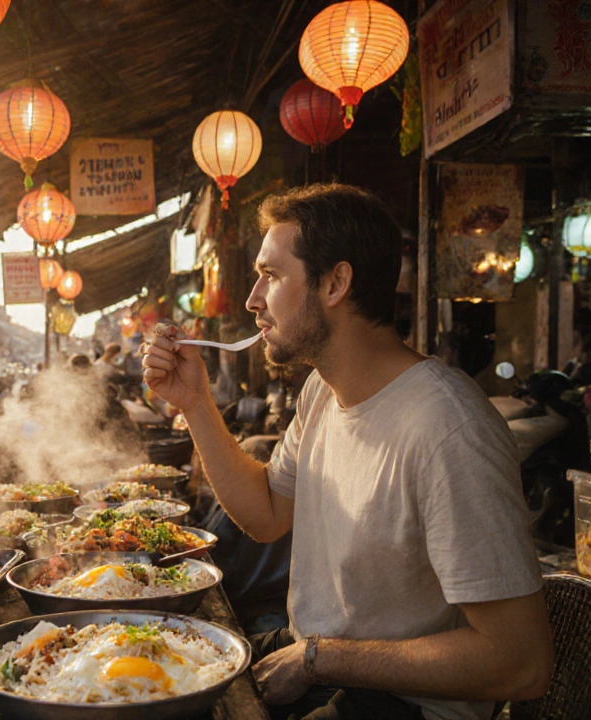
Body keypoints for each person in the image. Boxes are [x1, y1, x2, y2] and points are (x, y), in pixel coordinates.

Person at [142, 184, 552, 720]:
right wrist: (195, 402)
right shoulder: (322, 391)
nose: (253, 299)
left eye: (271, 275)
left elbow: (521, 663)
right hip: (322, 664)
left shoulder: (449, 429)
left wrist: (321, 657)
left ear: (335, 283)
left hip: (402, 705)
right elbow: (266, 514)